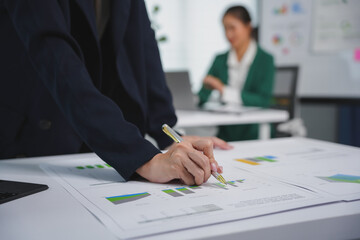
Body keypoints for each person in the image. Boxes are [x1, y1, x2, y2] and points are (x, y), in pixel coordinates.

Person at [0, 0, 232, 186]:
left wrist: (169, 135)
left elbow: (143, 44)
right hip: (33, 133)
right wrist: (142, 157)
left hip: (91, 137)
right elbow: (54, 56)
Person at [198, 6, 275, 141]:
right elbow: (202, 97)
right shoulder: (219, 59)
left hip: (254, 130)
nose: (228, 34)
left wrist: (223, 90)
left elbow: (263, 100)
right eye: (225, 29)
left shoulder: (265, 60)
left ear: (248, 26)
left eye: (232, 28)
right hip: (225, 131)